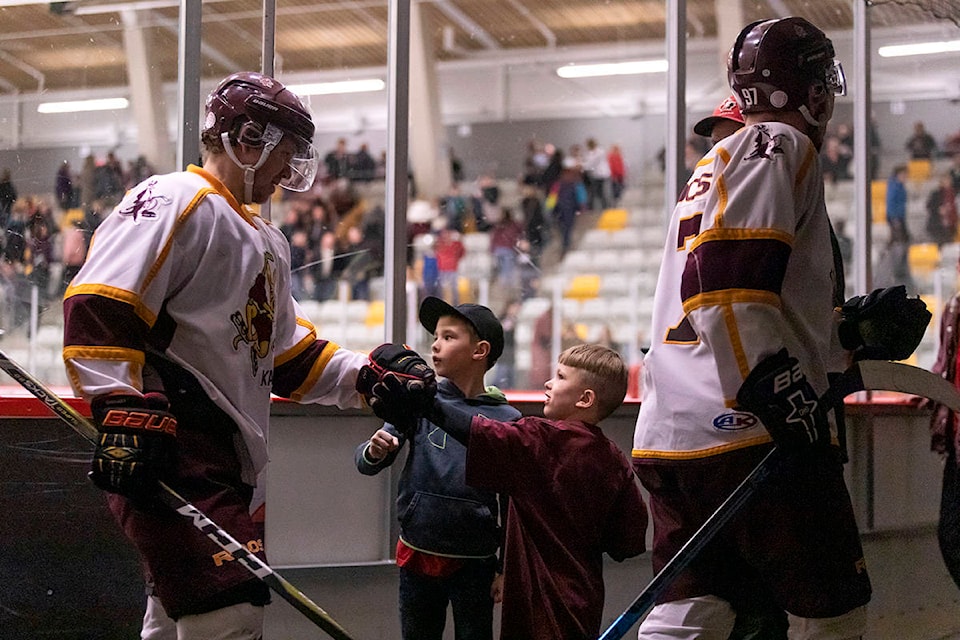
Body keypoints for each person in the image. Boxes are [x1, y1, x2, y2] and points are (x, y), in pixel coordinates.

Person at [61, 71, 432, 640]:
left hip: (227, 458)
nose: (290, 169)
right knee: (232, 609)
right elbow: (99, 304)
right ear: (246, 136)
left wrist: (365, 374)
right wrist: (118, 405)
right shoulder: (172, 200)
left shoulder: (266, 240)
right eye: (286, 150)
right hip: (174, 442)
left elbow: (286, 356)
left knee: (174, 616)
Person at [633, 18, 878, 639]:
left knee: (692, 610)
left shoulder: (710, 169)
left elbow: (731, 293)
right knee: (833, 613)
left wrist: (846, 332)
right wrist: (781, 395)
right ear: (814, 91)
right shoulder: (779, 146)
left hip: (673, 434)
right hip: (748, 427)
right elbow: (728, 292)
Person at [372, 343, 648, 639]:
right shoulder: (615, 460)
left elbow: (482, 433)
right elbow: (628, 544)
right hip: (584, 604)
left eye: (560, 377)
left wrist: (429, 406)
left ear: (585, 398)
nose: (548, 383)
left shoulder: (540, 440)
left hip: (534, 614)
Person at [355, 297, 520, 640]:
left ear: (481, 350)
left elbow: (512, 503)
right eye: (435, 336)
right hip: (417, 553)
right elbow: (366, 462)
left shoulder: (508, 419)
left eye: (448, 337)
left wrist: (505, 568)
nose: (435, 344)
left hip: (476, 562)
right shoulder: (418, 398)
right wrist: (374, 450)